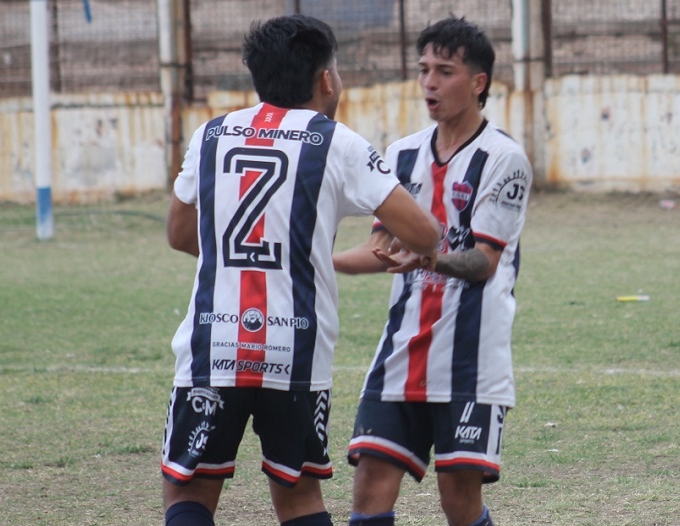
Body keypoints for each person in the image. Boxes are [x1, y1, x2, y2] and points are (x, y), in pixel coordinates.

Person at [161, 15, 441, 526]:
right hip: (295, 351)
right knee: (300, 498)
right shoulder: (337, 143)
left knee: (189, 492)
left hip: (213, 344)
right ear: (326, 79)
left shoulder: (211, 135)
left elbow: (180, 234)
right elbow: (425, 233)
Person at [332, 17, 533, 526]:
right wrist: (315, 263)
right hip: (401, 351)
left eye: (444, 71)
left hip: (470, 358)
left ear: (478, 82)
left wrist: (430, 259)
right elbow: (379, 248)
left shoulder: (504, 159)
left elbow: (484, 262)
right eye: (424, 70)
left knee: (458, 500)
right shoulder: (401, 155)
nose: (429, 82)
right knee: (370, 484)